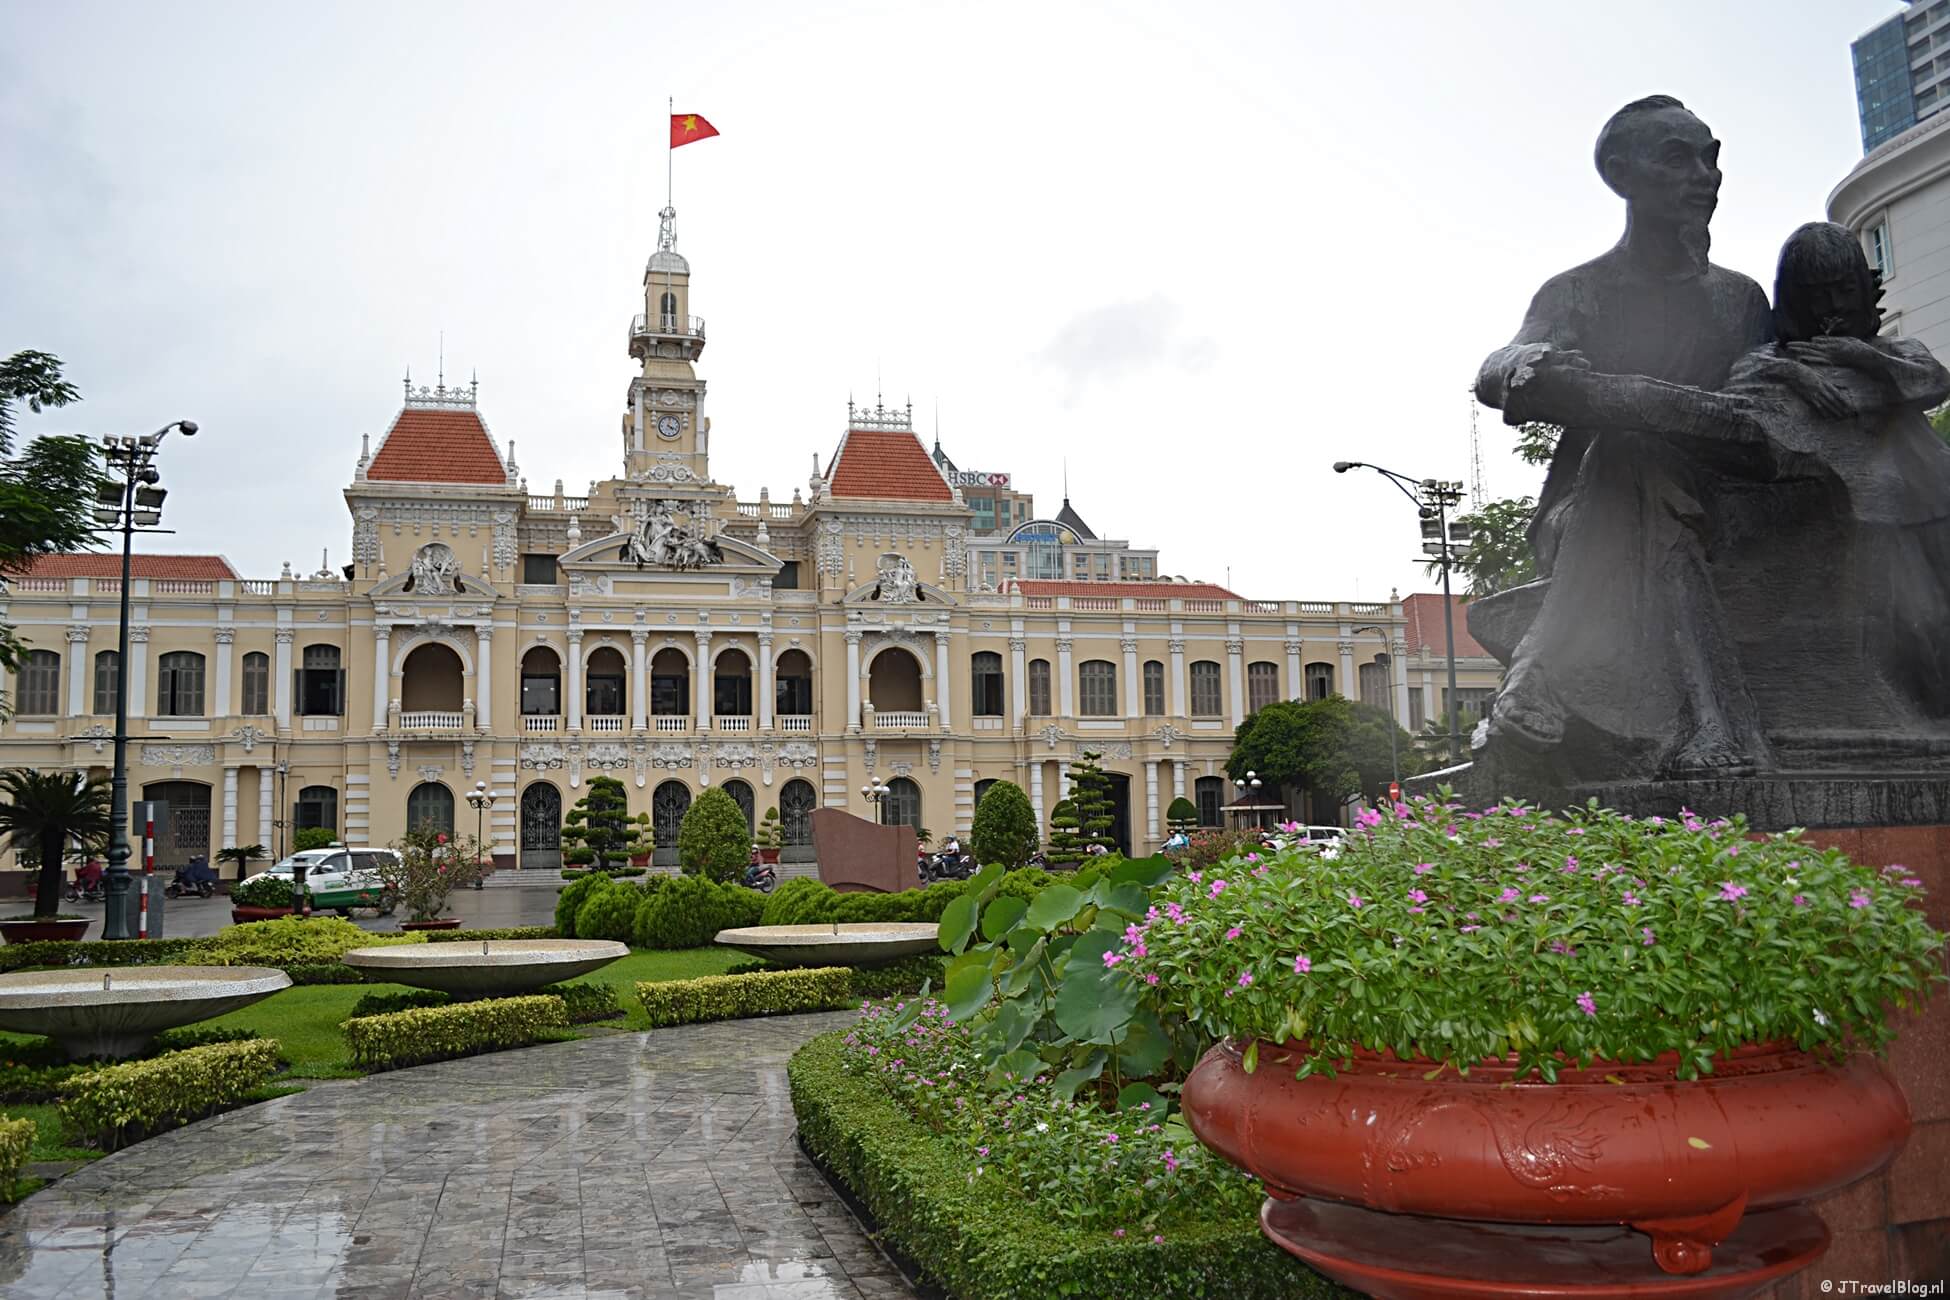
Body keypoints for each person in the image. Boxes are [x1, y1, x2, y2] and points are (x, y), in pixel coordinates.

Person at [1473, 95, 1836, 779]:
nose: (1705, 174)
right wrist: (1519, 369)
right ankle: (1717, 725)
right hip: (1585, 512)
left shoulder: (1741, 300)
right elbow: (1504, 364)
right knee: (1630, 452)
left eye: (1711, 157)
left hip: (1727, 503)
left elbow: (1761, 421)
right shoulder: (1577, 292)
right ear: (1621, 173)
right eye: (1678, 158)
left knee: (1642, 452)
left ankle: (1540, 672)